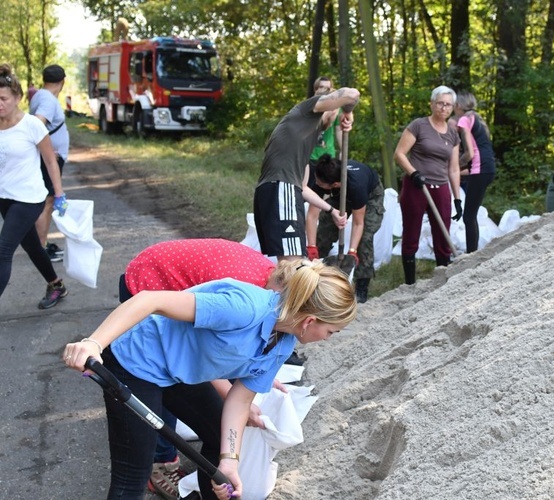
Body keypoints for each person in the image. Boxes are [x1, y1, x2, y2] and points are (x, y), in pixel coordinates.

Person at [63, 260, 357, 500]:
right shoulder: (244, 307)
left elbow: (240, 401)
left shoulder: (282, 344)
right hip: (138, 363)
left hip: (181, 371)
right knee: (133, 476)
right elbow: (148, 300)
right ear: (309, 321)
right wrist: (93, 343)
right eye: (331, 332)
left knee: (219, 436)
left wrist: (230, 459)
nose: (327, 339)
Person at [119, 238, 292, 500]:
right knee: (152, 410)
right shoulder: (247, 300)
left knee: (210, 421)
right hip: (149, 281)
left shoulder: (273, 303)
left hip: (179, 296)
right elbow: (205, 351)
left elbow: (230, 351)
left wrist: (257, 374)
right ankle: (162, 461)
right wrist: (94, 343)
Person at [254, 86, 360, 262]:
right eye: (335, 109)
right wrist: (348, 111)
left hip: (275, 190)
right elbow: (352, 94)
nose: (335, 116)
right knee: (293, 262)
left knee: (287, 264)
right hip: (281, 188)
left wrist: (331, 210)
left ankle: (284, 290)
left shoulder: (303, 139)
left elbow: (303, 188)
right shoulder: (306, 111)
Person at [0, 64, 69, 309]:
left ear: (17, 97)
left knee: (3, 250)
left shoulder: (32, 125)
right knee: (33, 247)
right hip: (5, 198)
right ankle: (56, 285)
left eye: (3, 98)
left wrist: (58, 194)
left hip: (29, 198)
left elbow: (51, 160)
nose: (0, 103)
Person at [393, 85, 462, 284]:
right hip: (416, 186)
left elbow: (454, 168)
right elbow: (399, 153)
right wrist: (414, 173)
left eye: (448, 104)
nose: (443, 108)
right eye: (440, 103)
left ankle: (443, 280)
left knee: (442, 235)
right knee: (412, 232)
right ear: (432, 104)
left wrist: (457, 198)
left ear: (452, 108)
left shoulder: (453, 134)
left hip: (440, 188)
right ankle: (410, 283)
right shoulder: (419, 125)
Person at [305, 154, 385, 303]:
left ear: (334, 184)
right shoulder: (321, 178)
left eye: (320, 184)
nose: (316, 184)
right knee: (325, 227)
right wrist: (311, 246)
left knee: (365, 237)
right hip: (339, 193)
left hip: (370, 195)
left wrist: (352, 251)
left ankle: (361, 286)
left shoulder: (357, 186)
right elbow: (312, 215)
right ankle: (315, 276)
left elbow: (358, 223)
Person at [30, 64, 69, 263]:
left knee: (46, 200)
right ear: (62, 82)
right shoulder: (47, 99)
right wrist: (47, 148)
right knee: (47, 202)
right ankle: (41, 248)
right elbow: (38, 122)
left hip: (49, 157)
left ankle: (40, 244)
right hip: (49, 159)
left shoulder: (40, 95)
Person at [454, 91, 496, 253]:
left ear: (458, 106)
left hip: (480, 169)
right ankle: (472, 252)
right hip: (487, 168)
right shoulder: (477, 118)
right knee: (471, 214)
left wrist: (453, 166)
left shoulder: (464, 120)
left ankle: (471, 255)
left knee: (469, 216)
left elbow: (469, 154)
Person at [309, 76, 342, 162]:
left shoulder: (335, 109)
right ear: (316, 89)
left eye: (328, 88)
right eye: (321, 87)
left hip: (328, 155)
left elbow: (338, 130)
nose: (325, 90)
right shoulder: (308, 106)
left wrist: (343, 150)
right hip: (310, 155)